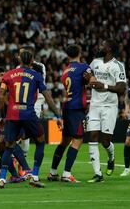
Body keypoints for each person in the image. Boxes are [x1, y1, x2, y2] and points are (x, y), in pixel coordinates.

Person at [0, 50, 62, 188]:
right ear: (32, 60)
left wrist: (2, 116)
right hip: (29, 114)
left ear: (19, 60)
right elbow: (48, 97)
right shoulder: (36, 75)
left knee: (9, 146)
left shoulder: (8, 75)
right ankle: (35, 176)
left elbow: (1, 95)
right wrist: (58, 114)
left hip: (12, 115)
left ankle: (2, 179)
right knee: (40, 141)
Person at [48, 44, 92, 183]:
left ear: (67, 55)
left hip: (66, 106)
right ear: (80, 52)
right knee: (78, 139)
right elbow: (92, 81)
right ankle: (66, 174)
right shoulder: (84, 67)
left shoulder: (65, 71)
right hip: (77, 107)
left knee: (65, 141)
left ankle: (53, 172)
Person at [0, 67, 30, 184]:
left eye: (3, 74)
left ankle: (1, 172)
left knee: (6, 146)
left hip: (4, 122)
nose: (3, 76)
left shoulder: (4, 87)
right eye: (0, 75)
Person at [87, 39, 127, 182]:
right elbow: (87, 74)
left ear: (109, 48)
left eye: (102, 45)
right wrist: (89, 78)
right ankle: (98, 174)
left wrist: (102, 85)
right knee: (92, 136)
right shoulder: (95, 62)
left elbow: (122, 88)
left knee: (105, 141)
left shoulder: (117, 65)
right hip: (95, 105)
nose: (99, 46)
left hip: (110, 106)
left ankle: (111, 157)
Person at [17, 46, 47, 160]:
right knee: (21, 131)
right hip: (22, 101)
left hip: (36, 101)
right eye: (19, 54)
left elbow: (41, 85)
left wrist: (42, 105)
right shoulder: (17, 68)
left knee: (27, 132)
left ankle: (22, 160)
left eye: (22, 54)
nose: (19, 56)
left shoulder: (39, 67)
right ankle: (19, 161)